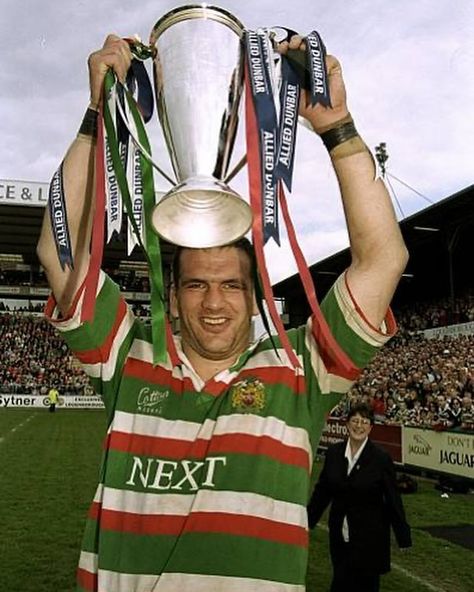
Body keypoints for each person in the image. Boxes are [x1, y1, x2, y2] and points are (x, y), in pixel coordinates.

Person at [36, 32, 408, 592]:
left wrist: (337, 126)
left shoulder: (299, 371)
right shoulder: (128, 355)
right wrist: (97, 114)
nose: (213, 303)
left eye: (231, 285)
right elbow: (58, 252)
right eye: (196, 285)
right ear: (172, 294)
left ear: (257, 294)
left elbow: (384, 260)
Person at [307, 403, 412, 592]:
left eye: (364, 421)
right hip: (340, 533)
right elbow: (323, 491)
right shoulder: (334, 454)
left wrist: (403, 535)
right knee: (340, 581)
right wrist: (307, 521)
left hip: (370, 536)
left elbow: (393, 499)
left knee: (365, 584)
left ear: (371, 427)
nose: (359, 426)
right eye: (355, 420)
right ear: (347, 424)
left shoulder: (381, 459)